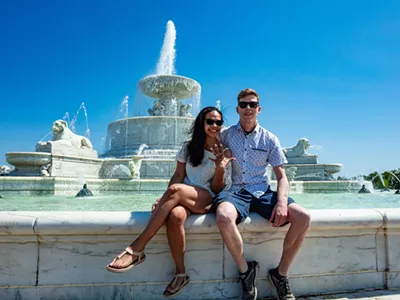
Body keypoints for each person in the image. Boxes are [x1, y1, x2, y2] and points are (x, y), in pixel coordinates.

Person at [106, 106, 234, 298]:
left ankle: (136, 248)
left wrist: (220, 168)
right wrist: (165, 198)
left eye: (218, 122)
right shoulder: (187, 147)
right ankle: (181, 273)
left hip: (208, 197)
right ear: (202, 123)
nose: (214, 125)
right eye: (210, 121)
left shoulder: (225, 151)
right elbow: (178, 175)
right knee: (175, 216)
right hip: (185, 195)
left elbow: (218, 189)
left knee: (175, 190)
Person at [211, 88, 311, 300]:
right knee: (223, 216)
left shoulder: (269, 139)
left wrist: (282, 202)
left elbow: (282, 177)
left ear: (259, 109)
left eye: (252, 104)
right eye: (244, 104)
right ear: (238, 109)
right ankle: (246, 272)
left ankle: (280, 274)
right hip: (235, 192)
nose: (248, 108)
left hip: (263, 192)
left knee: (303, 217)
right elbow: (202, 154)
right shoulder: (225, 135)